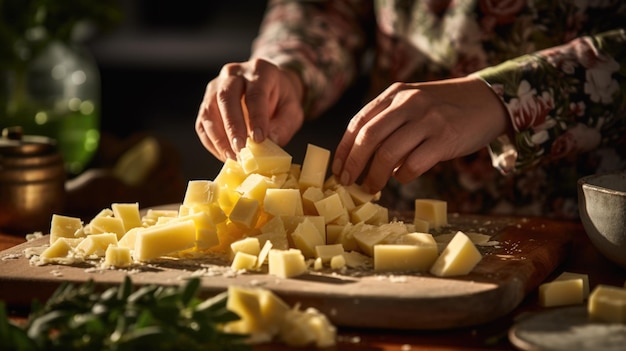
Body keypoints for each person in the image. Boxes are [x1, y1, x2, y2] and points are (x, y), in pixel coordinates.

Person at [195, 0, 626, 220]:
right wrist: (289, 70)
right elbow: (326, 9)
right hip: (397, 210)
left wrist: (507, 97)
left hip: (588, 223)